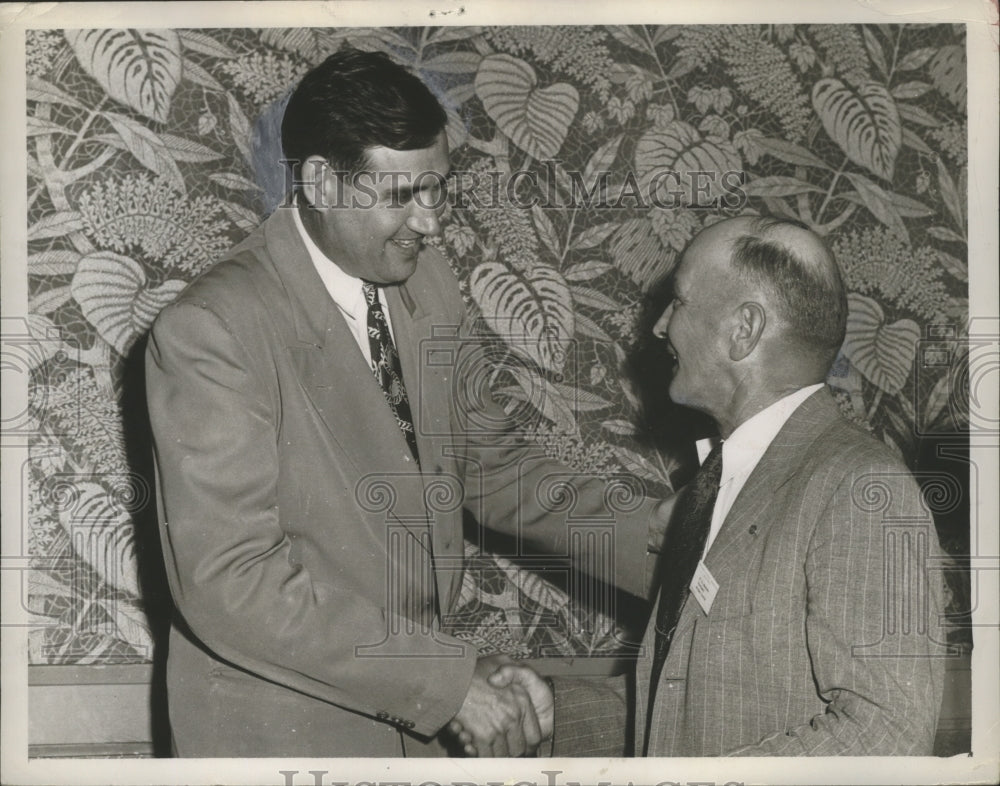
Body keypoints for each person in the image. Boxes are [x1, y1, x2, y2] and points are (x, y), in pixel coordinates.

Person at [145, 49, 663, 758]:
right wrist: (449, 683)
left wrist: (677, 547)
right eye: (402, 197)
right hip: (280, 741)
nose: (433, 224)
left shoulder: (429, 288)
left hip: (409, 736)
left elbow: (491, 466)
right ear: (323, 183)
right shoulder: (215, 329)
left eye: (438, 190)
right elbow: (230, 582)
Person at [485, 215, 948, 756]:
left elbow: (885, 734)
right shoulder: (726, 483)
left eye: (678, 302)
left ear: (743, 330)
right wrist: (559, 712)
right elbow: (710, 703)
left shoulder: (862, 486)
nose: (660, 327)